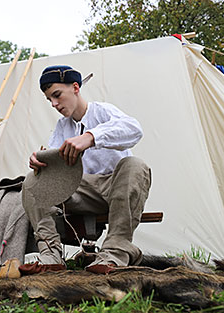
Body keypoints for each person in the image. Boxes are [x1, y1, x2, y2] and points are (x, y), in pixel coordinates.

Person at [20, 65, 152, 275]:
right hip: (80, 191)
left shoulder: (103, 111)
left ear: (75, 87)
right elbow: (55, 169)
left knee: (135, 165)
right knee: (31, 182)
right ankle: (51, 254)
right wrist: (40, 162)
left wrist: (90, 137)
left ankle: (114, 253)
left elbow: (134, 130)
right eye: (49, 100)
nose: (54, 104)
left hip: (114, 187)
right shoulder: (62, 127)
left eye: (57, 95)